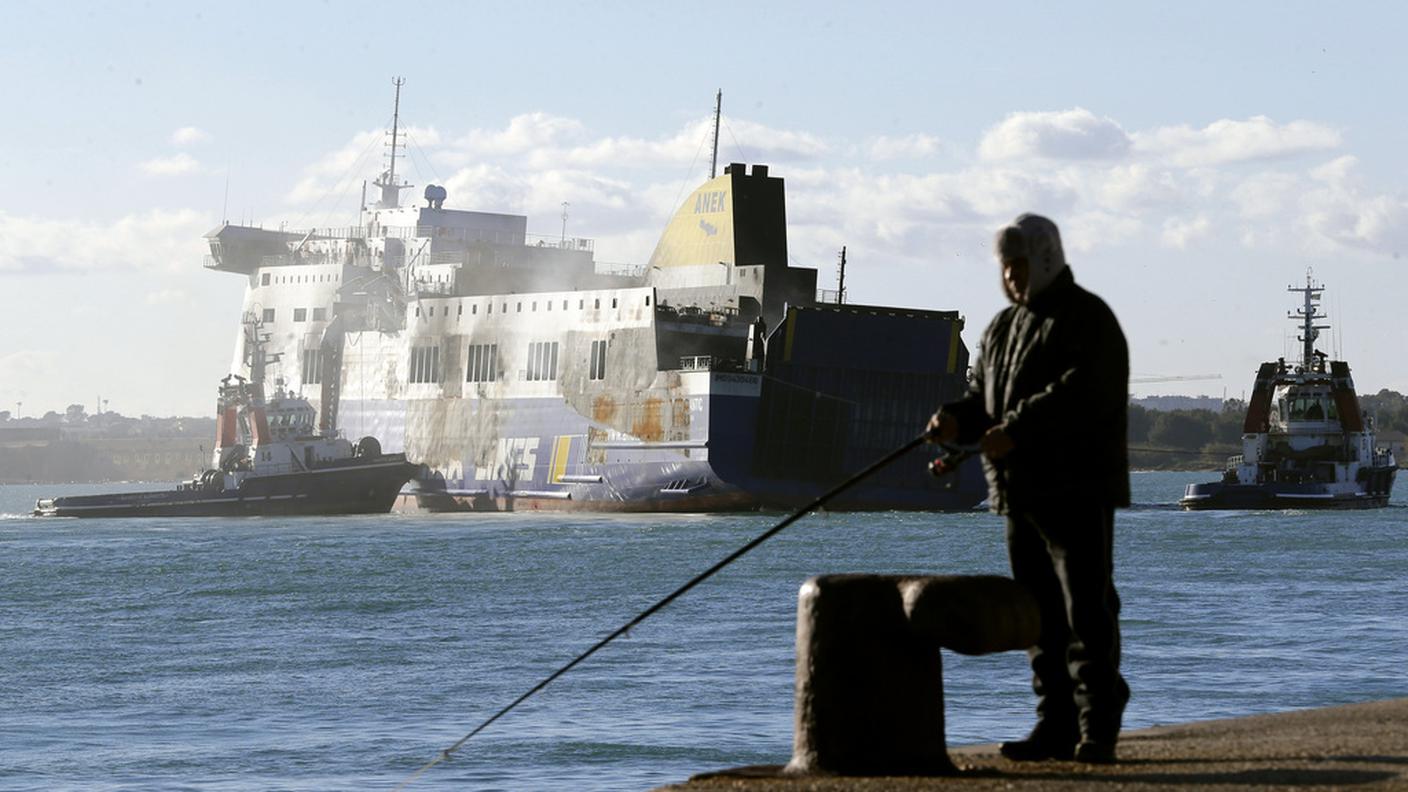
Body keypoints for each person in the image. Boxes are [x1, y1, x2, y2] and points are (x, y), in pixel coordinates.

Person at [927, 213, 1131, 764]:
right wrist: (953, 421)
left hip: (1077, 489)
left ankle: (1097, 728)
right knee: (1042, 617)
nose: (1012, 278)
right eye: (1005, 268)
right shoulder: (999, 329)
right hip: (1019, 495)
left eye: (1019, 266)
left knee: (1086, 611)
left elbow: (1086, 393)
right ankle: (1055, 725)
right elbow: (981, 402)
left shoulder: (1089, 319)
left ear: (1044, 260)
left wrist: (1015, 432)